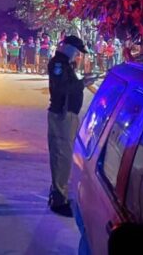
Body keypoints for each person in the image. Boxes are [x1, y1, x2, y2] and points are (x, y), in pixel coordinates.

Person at [47, 35, 95, 217]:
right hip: (62, 116)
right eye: (76, 51)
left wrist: (83, 81)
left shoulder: (65, 64)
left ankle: (58, 193)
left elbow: (68, 85)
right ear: (67, 48)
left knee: (63, 157)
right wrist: (82, 83)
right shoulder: (58, 64)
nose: (78, 55)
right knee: (62, 158)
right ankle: (59, 200)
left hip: (67, 116)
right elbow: (62, 88)